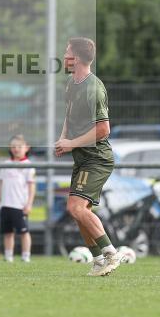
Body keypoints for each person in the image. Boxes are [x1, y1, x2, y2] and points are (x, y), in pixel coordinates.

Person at [55, 37, 123, 277]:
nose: (64, 56)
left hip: (98, 158)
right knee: (78, 210)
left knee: (76, 207)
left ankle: (111, 253)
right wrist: (64, 140)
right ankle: (97, 259)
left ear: (78, 59)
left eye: (67, 52)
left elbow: (104, 129)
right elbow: (69, 114)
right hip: (83, 158)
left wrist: (72, 143)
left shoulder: (93, 88)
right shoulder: (72, 83)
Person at [0, 134, 35, 263]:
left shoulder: (28, 165)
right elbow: (0, 184)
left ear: (26, 148)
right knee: (8, 232)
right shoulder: (6, 164)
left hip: (20, 205)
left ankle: (26, 256)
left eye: (19, 146)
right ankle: (8, 256)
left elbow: (31, 187)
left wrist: (29, 204)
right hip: (5, 205)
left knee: (23, 232)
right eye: (13, 146)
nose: (16, 149)